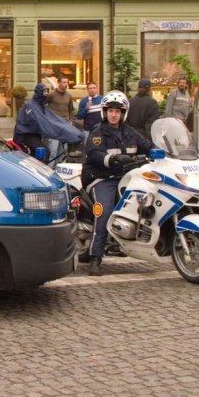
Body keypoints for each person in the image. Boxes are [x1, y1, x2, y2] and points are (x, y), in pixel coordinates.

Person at [81, 91, 153, 276]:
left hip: (127, 177)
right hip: (102, 178)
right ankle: (95, 257)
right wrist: (113, 159)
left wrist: (166, 152)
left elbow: (147, 145)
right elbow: (95, 154)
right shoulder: (97, 133)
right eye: (110, 111)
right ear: (105, 112)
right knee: (104, 211)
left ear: (123, 113)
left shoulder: (130, 132)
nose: (114, 114)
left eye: (118, 111)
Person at [13, 83, 83, 164]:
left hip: (35, 134)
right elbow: (42, 122)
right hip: (25, 135)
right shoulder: (30, 105)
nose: (46, 93)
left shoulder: (41, 106)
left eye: (47, 91)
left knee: (36, 154)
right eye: (44, 91)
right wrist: (57, 131)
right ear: (39, 92)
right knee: (44, 152)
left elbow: (52, 119)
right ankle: (40, 171)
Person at [44, 76, 76, 167]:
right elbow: (43, 105)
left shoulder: (69, 96)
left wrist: (71, 121)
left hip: (65, 126)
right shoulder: (52, 95)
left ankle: (61, 170)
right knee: (53, 150)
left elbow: (71, 110)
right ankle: (49, 170)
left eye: (67, 82)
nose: (66, 84)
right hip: (54, 126)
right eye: (63, 82)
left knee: (64, 151)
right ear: (58, 83)